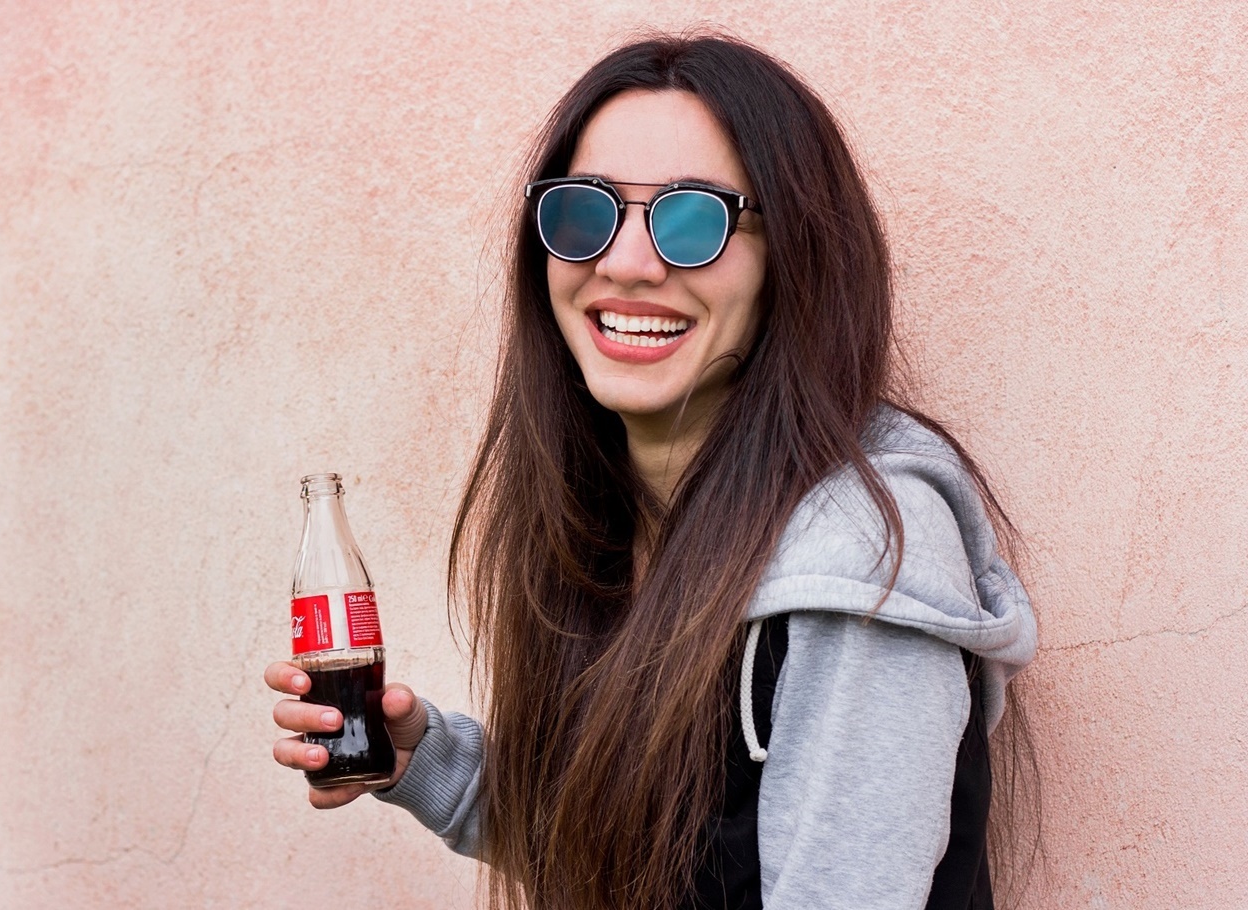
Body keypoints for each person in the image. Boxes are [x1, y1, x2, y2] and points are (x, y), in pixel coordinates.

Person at [266, 32, 1038, 910]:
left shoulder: (859, 553)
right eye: (583, 213)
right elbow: (646, 858)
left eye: (691, 219)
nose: (626, 263)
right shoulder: (612, 513)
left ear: (792, 255)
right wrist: (422, 761)